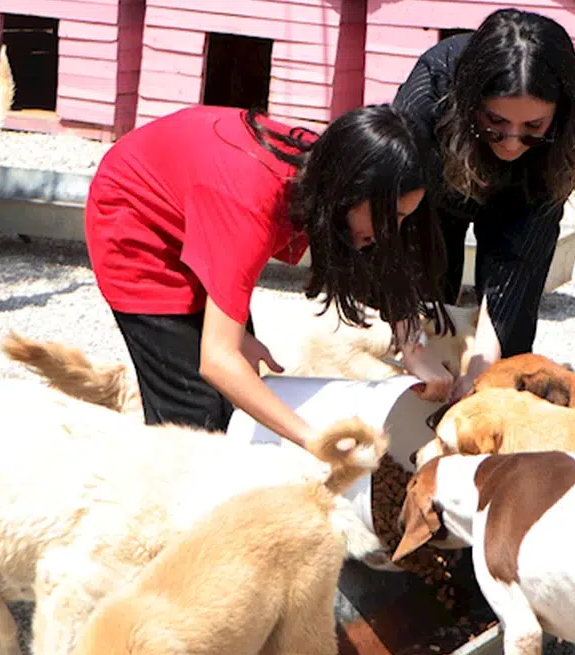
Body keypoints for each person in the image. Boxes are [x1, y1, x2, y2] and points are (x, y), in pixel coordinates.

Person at [84, 103, 456, 448]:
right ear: (350, 191)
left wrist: (413, 346)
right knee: (195, 419)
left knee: (241, 399)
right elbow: (216, 360)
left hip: (200, 201)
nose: (393, 231)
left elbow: (383, 263)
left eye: (404, 218)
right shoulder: (252, 208)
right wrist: (313, 440)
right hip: (137, 220)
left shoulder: (332, 170)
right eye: (391, 218)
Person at [394, 8, 575, 394]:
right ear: (471, 101)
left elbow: (519, 259)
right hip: (431, 198)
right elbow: (395, 219)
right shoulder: (432, 89)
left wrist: (481, 371)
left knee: (502, 357)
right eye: (496, 123)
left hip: (521, 196)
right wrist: (410, 342)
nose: (511, 143)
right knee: (422, 316)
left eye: (533, 128)